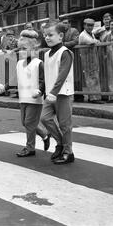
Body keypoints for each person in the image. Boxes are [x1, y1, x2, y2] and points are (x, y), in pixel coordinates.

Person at [41, 20, 75, 165]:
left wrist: (54, 92)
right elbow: (46, 74)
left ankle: (68, 152)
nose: (47, 38)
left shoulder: (65, 53)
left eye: (50, 35)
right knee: (44, 118)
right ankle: (60, 143)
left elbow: (62, 74)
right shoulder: (47, 54)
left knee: (65, 124)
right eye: (45, 35)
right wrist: (41, 89)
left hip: (63, 94)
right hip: (51, 94)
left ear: (60, 36)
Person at [15, 29, 50, 157]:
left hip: (35, 99)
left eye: (24, 48)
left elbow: (44, 79)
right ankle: (45, 134)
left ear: (33, 47)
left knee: (29, 123)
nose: (21, 51)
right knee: (25, 123)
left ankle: (30, 148)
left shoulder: (38, 63)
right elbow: (15, 79)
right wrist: (5, 86)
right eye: (20, 49)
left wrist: (40, 90)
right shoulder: (19, 63)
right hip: (23, 98)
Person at [79, 18, 104, 104]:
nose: (90, 27)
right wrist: (97, 41)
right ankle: (94, 98)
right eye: (88, 25)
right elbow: (92, 42)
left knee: (95, 78)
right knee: (91, 78)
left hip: (93, 59)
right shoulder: (83, 35)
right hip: (87, 60)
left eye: (91, 25)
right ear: (84, 26)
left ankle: (94, 96)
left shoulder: (91, 34)